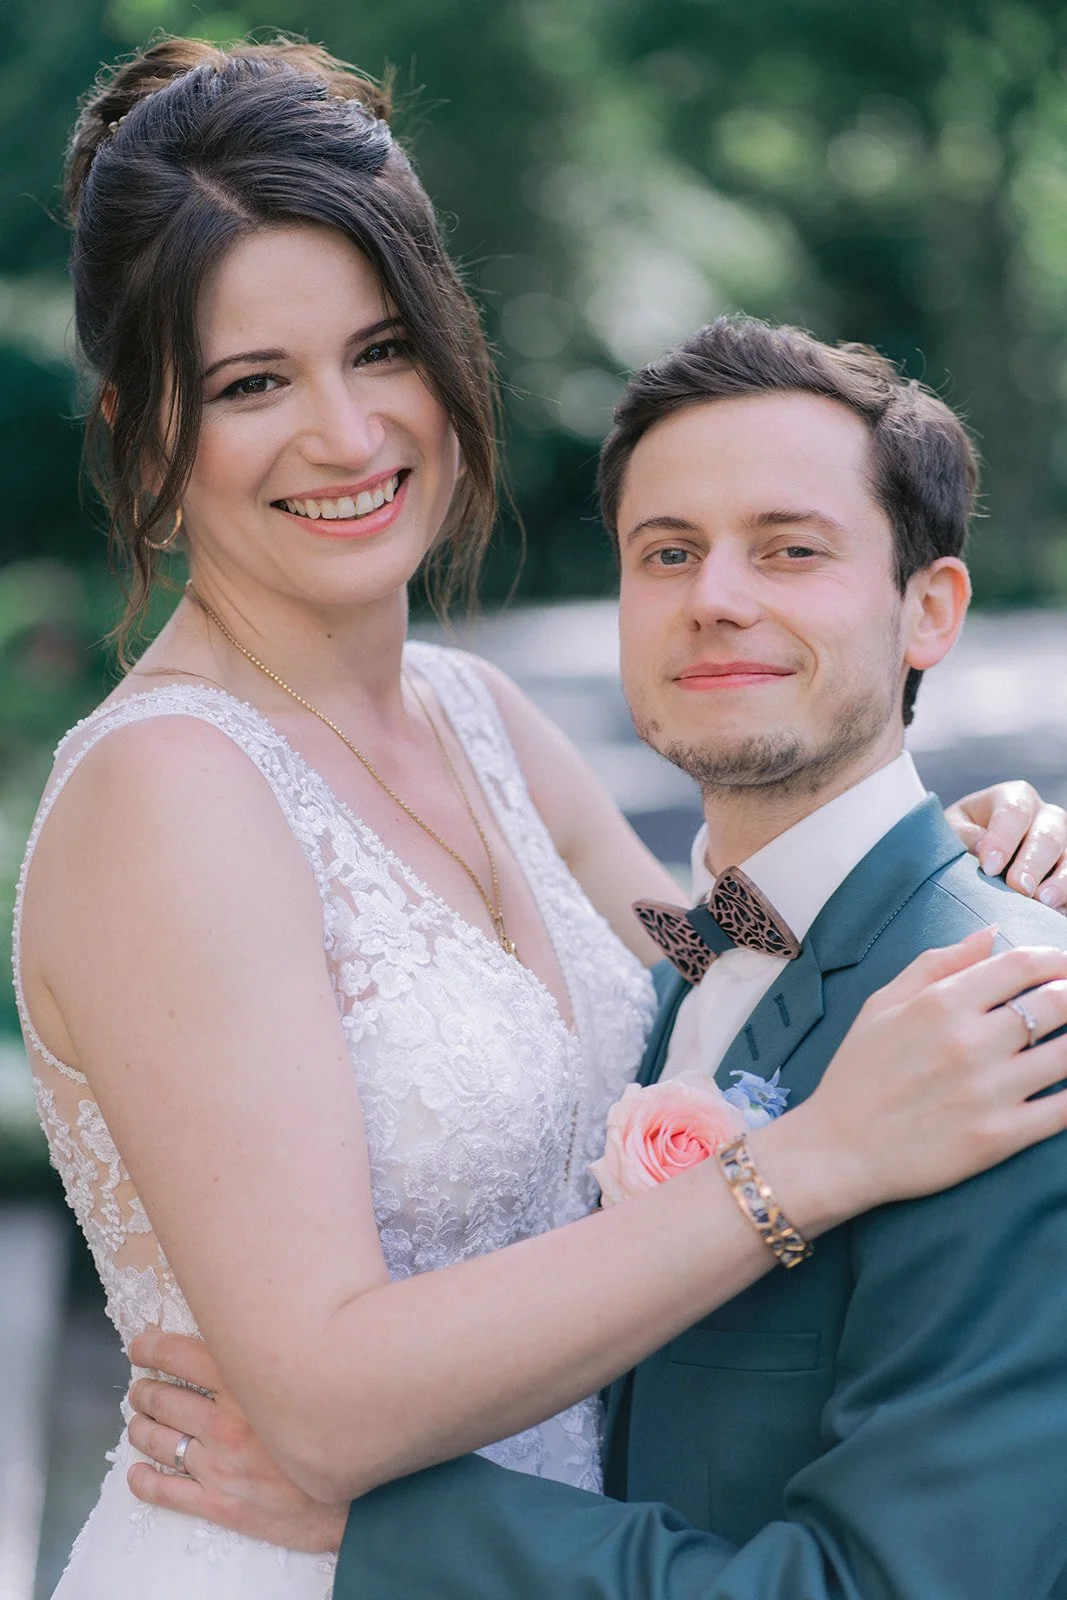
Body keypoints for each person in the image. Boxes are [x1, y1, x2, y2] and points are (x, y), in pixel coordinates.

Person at [15, 36, 1067, 1597]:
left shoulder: (479, 720)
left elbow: (715, 958)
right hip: (287, 1563)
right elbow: (317, 1400)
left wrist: (949, 849)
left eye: (380, 352)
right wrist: (813, 1166)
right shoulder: (172, 795)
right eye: (251, 384)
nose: (346, 435)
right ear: (146, 437)